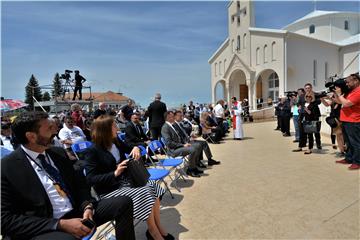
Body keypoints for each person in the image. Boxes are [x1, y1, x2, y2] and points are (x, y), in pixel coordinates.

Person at [1, 111, 135, 240]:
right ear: (31, 136)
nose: (55, 132)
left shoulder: (58, 153)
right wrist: (60, 225)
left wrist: (87, 206)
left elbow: (81, 184)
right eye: (49, 128)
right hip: (46, 225)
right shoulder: (8, 167)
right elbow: (5, 219)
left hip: (78, 212)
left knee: (124, 203)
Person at [84, 115, 174, 240]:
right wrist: (115, 173)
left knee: (153, 186)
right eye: (114, 126)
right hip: (110, 190)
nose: (117, 129)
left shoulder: (115, 142)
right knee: (145, 191)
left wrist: (136, 147)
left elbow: (130, 148)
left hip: (125, 182)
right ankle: (154, 232)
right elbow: (91, 179)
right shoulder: (93, 151)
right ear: (105, 130)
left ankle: (157, 227)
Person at [161, 111, 203, 177]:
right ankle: (190, 169)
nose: (174, 117)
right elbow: (169, 143)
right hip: (173, 150)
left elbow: (179, 136)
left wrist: (185, 142)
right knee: (193, 149)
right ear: (168, 118)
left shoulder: (172, 125)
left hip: (179, 146)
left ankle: (194, 166)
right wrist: (183, 145)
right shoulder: (165, 127)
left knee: (198, 145)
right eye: (172, 116)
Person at [334, 73, 360, 170]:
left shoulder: (358, 91)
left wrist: (340, 94)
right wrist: (337, 95)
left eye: (348, 82)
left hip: (354, 121)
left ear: (356, 81)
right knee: (348, 142)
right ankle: (349, 158)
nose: (347, 84)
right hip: (346, 120)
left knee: (355, 142)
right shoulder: (351, 91)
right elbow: (340, 102)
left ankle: (357, 162)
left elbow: (347, 103)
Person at [304, 83, 322, 149]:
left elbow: (319, 102)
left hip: (315, 116)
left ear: (311, 88)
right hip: (307, 117)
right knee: (309, 132)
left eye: (308, 88)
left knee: (316, 131)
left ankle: (318, 144)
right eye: (306, 88)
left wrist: (312, 99)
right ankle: (310, 147)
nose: (307, 89)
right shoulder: (304, 96)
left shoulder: (316, 94)